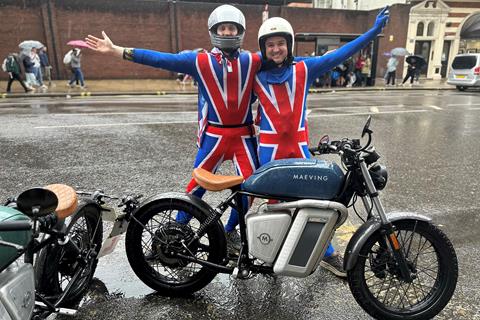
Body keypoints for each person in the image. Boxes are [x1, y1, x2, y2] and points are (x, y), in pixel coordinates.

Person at [85, 4, 262, 252]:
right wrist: (117, 51)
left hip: (244, 135)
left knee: (250, 188)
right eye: (223, 27)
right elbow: (161, 59)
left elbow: (289, 63)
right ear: (214, 30)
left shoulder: (254, 60)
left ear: (240, 31)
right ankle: (175, 233)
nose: (228, 32)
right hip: (215, 135)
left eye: (232, 28)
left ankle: (232, 231)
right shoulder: (200, 61)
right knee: (195, 188)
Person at [253, 7, 389, 277]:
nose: (276, 48)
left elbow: (341, 53)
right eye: (270, 45)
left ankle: (326, 254)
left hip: (299, 149)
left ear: (289, 44)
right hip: (269, 152)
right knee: (268, 202)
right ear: (263, 48)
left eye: (281, 43)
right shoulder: (254, 73)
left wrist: (373, 33)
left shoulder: (305, 68)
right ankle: (254, 245)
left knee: (315, 202)